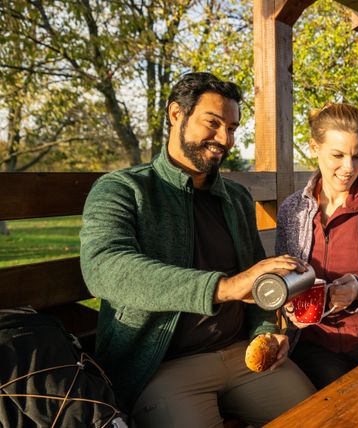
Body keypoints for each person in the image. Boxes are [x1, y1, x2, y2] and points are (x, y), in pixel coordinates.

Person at [79, 72, 315, 427]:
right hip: (161, 366)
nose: (225, 138)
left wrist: (265, 330)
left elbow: (257, 275)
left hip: (241, 356)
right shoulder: (123, 189)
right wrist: (224, 287)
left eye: (233, 128)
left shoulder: (235, 197)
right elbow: (104, 268)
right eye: (213, 123)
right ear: (177, 114)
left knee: (327, 418)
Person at [276, 103, 358, 389]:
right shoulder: (292, 210)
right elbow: (284, 279)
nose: (349, 168)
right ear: (314, 148)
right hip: (313, 343)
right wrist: (290, 308)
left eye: (357, 156)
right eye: (337, 155)